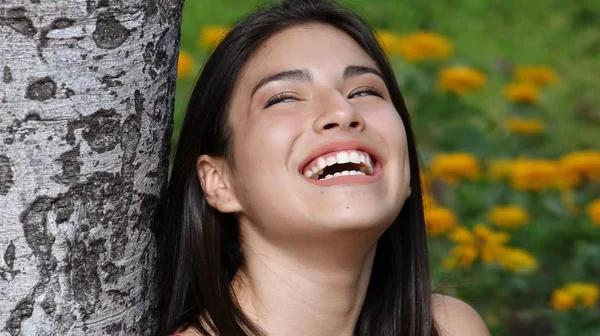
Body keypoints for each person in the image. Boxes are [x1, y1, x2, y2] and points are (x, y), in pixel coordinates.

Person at [157, 0, 491, 335]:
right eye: (284, 98)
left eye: (364, 91)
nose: (343, 112)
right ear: (219, 182)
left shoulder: (450, 328)